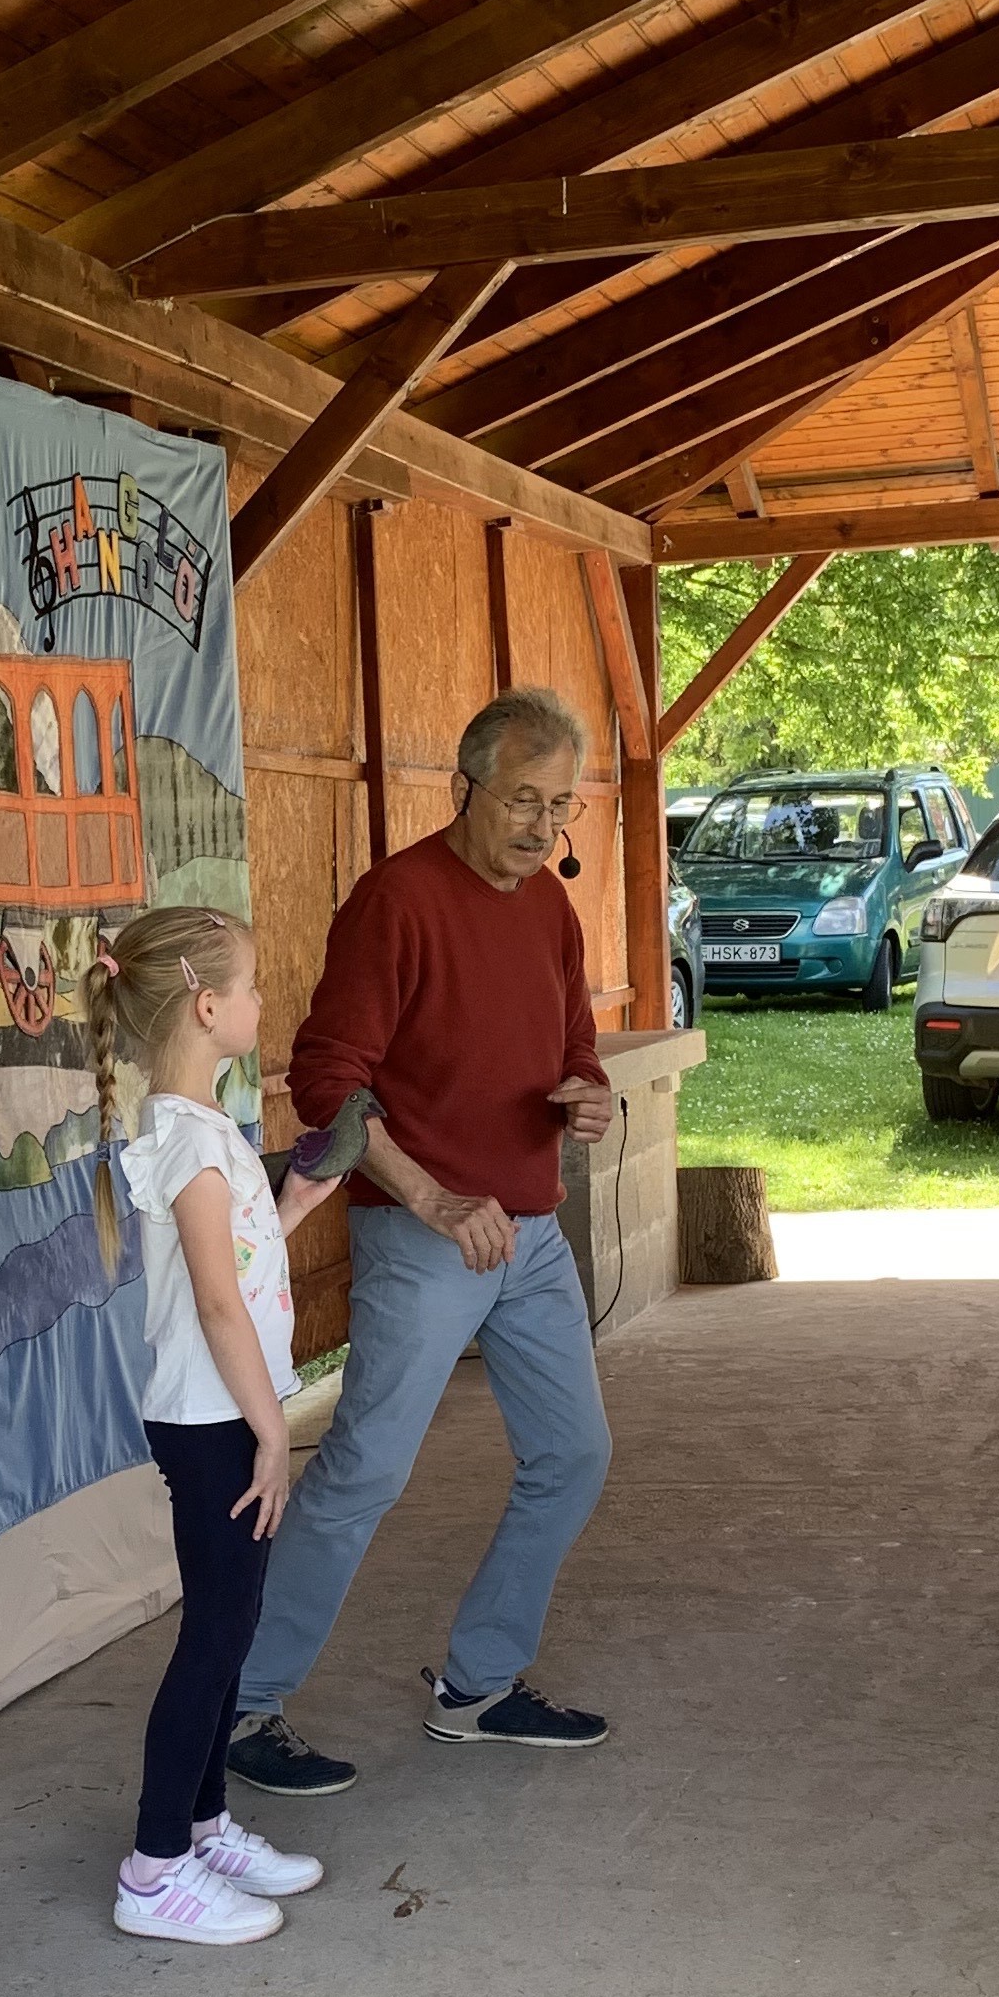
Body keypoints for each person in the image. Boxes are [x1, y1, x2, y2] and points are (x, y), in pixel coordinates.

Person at [226, 686, 619, 1800]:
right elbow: (326, 1081)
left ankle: (479, 1687)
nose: (543, 826)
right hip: (422, 1235)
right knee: (364, 1472)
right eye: (523, 799)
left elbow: (576, 1047)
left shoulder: (550, 909)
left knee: (574, 1454)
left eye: (561, 805)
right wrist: (432, 1198)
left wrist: (587, 1095)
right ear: (464, 788)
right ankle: (240, 1702)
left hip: (530, 1236)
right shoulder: (396, 900)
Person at [91, 908, 341, 1949]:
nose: (260, 1002)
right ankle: (154, 1872)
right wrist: (274, 1436)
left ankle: (202, 1828)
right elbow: (216, 1304)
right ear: (205, 1006)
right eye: (249, 987)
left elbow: (233, 1258)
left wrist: (295, 1206)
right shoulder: (189, 1138)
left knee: (231, 1624)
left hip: (227, 1417)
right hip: (215, 1428)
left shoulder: (200, 1127)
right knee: (214, 1636)